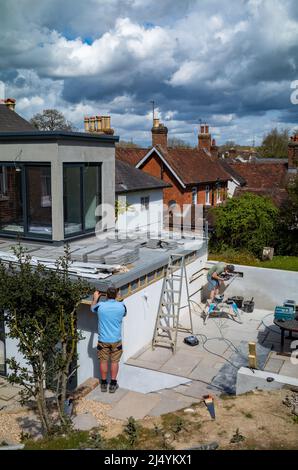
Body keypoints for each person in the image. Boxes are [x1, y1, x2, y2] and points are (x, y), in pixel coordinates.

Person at [91, 286, 127, 393]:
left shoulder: (100, 306)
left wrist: (95, 298)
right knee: (114, 362)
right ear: (116, 295)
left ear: (106, 295)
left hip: (103, 340)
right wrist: (118, 298)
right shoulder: (122, 306)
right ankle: (113, 384)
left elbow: (92, 308)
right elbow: (124, 313)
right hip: (116, 340)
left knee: (103, 361)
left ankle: (103, 384)